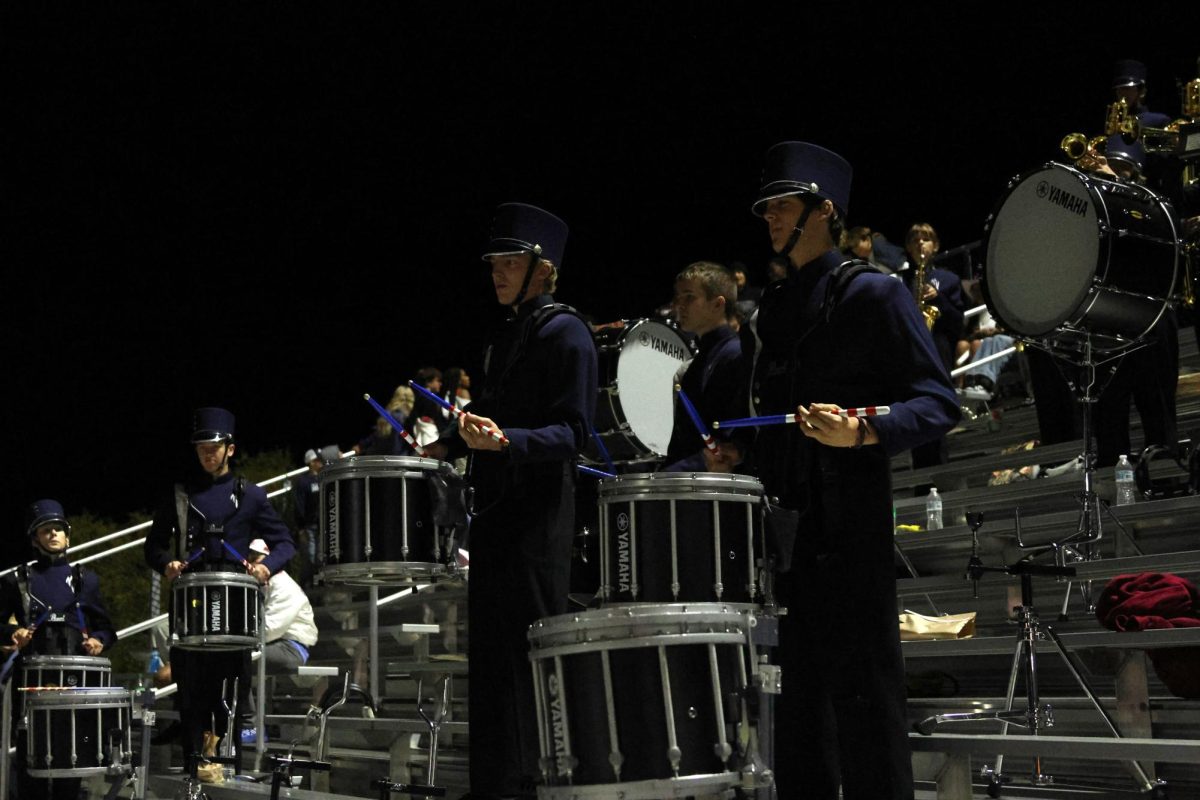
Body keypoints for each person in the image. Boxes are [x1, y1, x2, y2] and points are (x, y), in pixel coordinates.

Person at [743, 141, 959, 799]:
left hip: (853, 533)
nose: (771, 218)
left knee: (867, 710)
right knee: (799, 720)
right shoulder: (774, 308)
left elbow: (938, 402)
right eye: (769, 208)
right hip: (788, 541)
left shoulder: (874, 293)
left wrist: (865, 430)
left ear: (823, 210)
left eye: (784, 205)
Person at [425, 202, 597, 798]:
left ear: (542, 269)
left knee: (529, 663)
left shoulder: (566, 331)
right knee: (491, 663)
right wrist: (451, 441)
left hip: (539, 525)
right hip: (495, 518)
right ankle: (491, 783)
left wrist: (507, 440)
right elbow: (490, 418)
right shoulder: (502, 334)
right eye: (493, 261)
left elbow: (575, 433)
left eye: (509, 261)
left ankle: (532, 784)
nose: (496, 271)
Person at [143, 407, 296, 771]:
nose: (207, 454)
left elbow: (285, 543)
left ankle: (229, 774)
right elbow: (153, 546)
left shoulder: (251, 495)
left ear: (230, 449)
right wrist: (167, 564)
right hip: (192, 610)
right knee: (191, 699)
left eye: (214, 447)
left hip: (234, 615)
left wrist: (264, 567)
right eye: (201, 448)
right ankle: (194, 774)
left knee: (230, 700)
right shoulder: (180, 495)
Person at [1, 499, 117, 800]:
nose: (52, 535)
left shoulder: (85, 579)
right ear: (35, 539)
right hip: (31, 681)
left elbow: (107, 628)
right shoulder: (19, 579)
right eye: (45, 531)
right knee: (32, 754)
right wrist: (14, 632)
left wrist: (99, 641)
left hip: (74, 682)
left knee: (69, 753)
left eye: (57, 530)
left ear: (67, 536)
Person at [663, 261, 748, 471]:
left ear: (718, 304)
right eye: (678, 298)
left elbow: (727, 447)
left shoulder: (735, 356)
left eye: (689, 297)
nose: (679, 305)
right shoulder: (699, 361)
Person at [899, 222, 966, 473]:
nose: (920, 243)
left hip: (938, 352)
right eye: (914, 239)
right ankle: (921, 473)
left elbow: (958, 322)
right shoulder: (900, 281)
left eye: (926, 238)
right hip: (911, 355)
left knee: (937, 408)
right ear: (908, 247)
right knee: (915, 411)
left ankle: (940, 471)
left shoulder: (948, 279)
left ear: (935, 246)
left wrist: (938, 299)